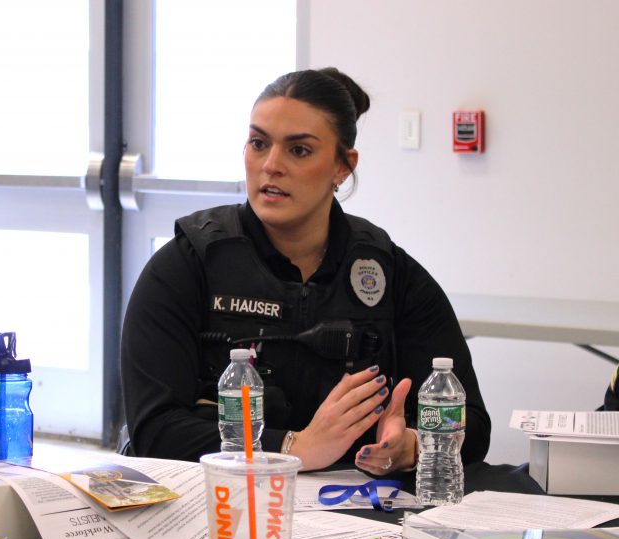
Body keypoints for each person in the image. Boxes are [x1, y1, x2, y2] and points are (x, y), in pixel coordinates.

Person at [121, 68, 491, 473]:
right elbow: (153, 429)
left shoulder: (390, 273)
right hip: (220, 510)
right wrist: (293, 447)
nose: (271, 165)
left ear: (342, 167)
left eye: (299, 150)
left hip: (354, 516)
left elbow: (471, 422)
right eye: (259, 143)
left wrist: (413, 446)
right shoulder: (187, 264)